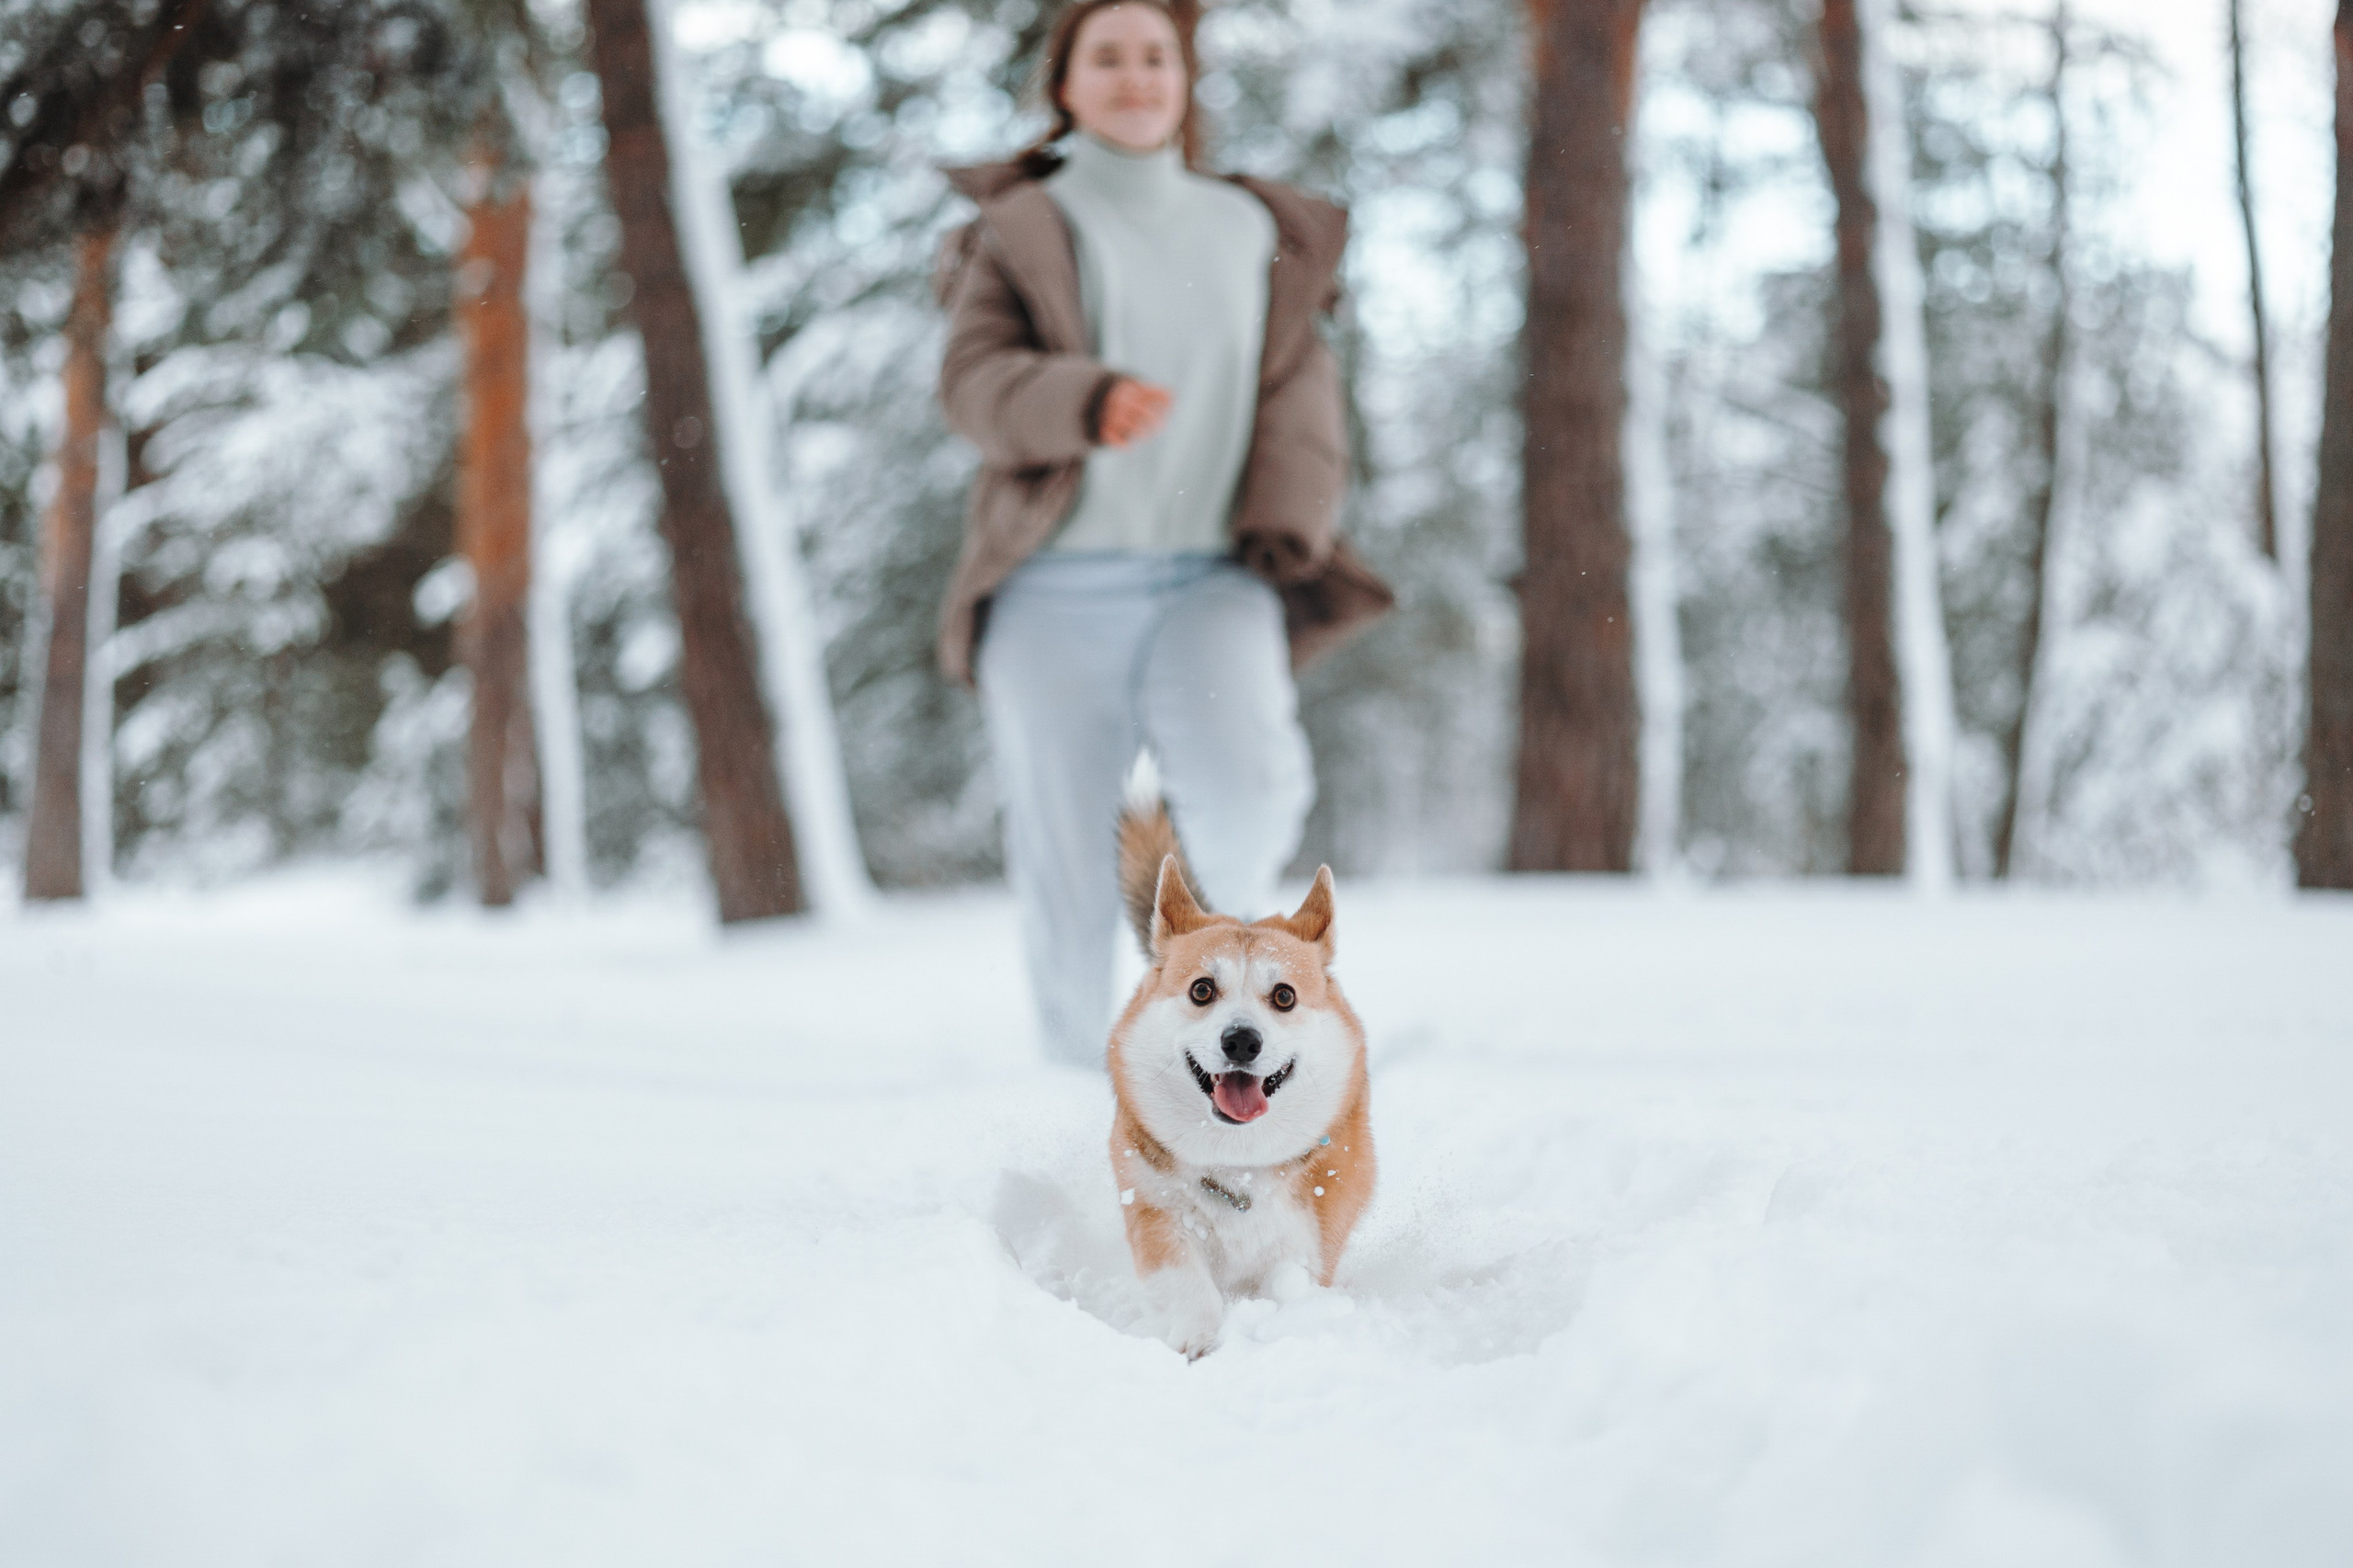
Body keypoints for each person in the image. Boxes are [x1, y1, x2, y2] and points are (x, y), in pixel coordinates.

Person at [933, 0, 1391, 1067]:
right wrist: (1081, 400)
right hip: (1051, 584)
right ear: (1065, 85)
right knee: (1061, 853)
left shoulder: (1255, 229)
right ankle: (1066, 1080)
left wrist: (1293, 517)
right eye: (1108, 58)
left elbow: (1301, 397)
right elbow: (972, 386)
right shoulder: (1022, 226)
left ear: (1183, 79)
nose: (1136, 76)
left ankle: (1212, 1050)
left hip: (1212, 578)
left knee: (1250, 789)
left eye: (1156, 56)